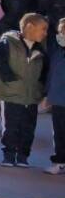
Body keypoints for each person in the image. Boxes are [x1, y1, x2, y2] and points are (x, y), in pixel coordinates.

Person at [0, 12, 48, 167]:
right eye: (42, 29)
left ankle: (23, 155)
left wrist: (42, 89)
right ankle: (9, 154)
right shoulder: (7, 43)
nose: (45, 33)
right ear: (29, 27)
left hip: (31, 96)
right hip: (12, 95)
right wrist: (9, 79)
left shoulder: (41, 49)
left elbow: (45, 70)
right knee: (11, 126)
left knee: (28, 127)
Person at [44, 15, 65, 175]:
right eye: (60, 32)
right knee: (59, 132)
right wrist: (47, 95)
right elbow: (52, 75)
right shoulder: (57, 52)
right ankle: (60, 162)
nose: (61, 36)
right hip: (58, 101)